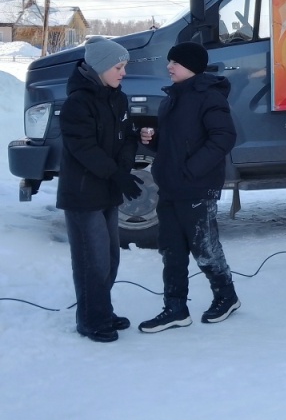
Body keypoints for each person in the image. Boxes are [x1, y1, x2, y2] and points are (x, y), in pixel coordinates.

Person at [137, 43, 239, 333]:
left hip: (196, 186)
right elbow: (176, 142)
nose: (169, 67)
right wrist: (153, 139)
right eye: (170, 61)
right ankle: (175, 308)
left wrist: (191, 169)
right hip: (171, 186)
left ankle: (226, 296)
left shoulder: (209, 97)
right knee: (171, 250)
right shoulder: (172, 98)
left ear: (192, 66)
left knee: (204, 246)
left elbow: (223, 137)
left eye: (176, 63)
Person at [57, 36, 142, 343]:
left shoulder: (117, 98)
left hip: (107, 191)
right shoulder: (77, 103)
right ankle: (91, 319)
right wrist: (115, 174)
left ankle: (101, 309)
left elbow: (127, 136)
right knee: (92, 259)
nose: (123, 73)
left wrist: (124, 169)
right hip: (83, 195)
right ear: (100, 67)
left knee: (109, 257)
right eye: (118, 67)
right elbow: (84, 148)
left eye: (124, 66)